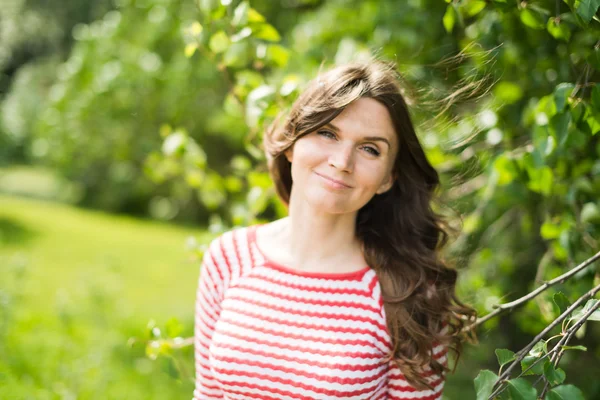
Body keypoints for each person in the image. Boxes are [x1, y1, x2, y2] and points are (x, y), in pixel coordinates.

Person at [193, 60, 476, 400]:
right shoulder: (228, 257)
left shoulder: (408, 291)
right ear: (292, 141)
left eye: (370, 149)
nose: (342, 161)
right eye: (327, 133)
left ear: (388, 178)